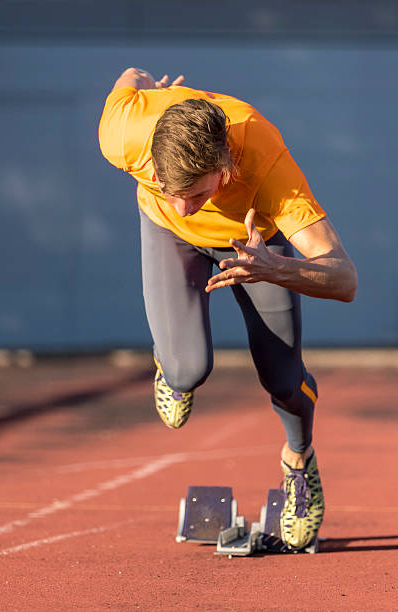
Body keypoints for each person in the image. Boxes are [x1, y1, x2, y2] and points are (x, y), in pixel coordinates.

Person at [98, 67, 357, 550]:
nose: (183, 205)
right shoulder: (124, 132)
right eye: (167, 187)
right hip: (166, 238)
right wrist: (145, 84)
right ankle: (172, 365)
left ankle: (299, 463)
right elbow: (128, 78)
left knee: (283, 378)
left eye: (196, 194)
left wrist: (275, 269)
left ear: (226, 169)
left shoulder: (269, 167)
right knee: (188, 369)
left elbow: (344, 278)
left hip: (253, 244)